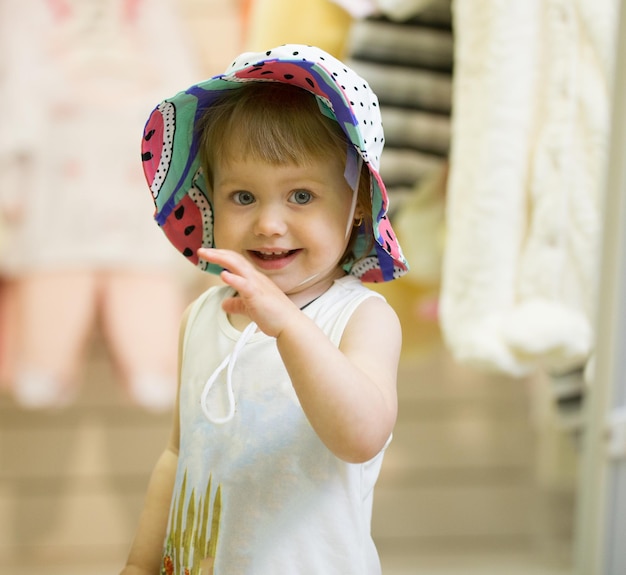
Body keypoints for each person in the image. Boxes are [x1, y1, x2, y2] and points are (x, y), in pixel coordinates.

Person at [121, 44, 408, 575]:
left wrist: (287, 325)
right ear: (210, 197)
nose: (269, 224)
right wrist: (140, 563)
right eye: (243, 197)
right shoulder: (201, 317)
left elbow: (361, 436)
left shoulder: (360, 318)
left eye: (300, 196)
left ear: (360, 201)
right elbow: (177, 457)